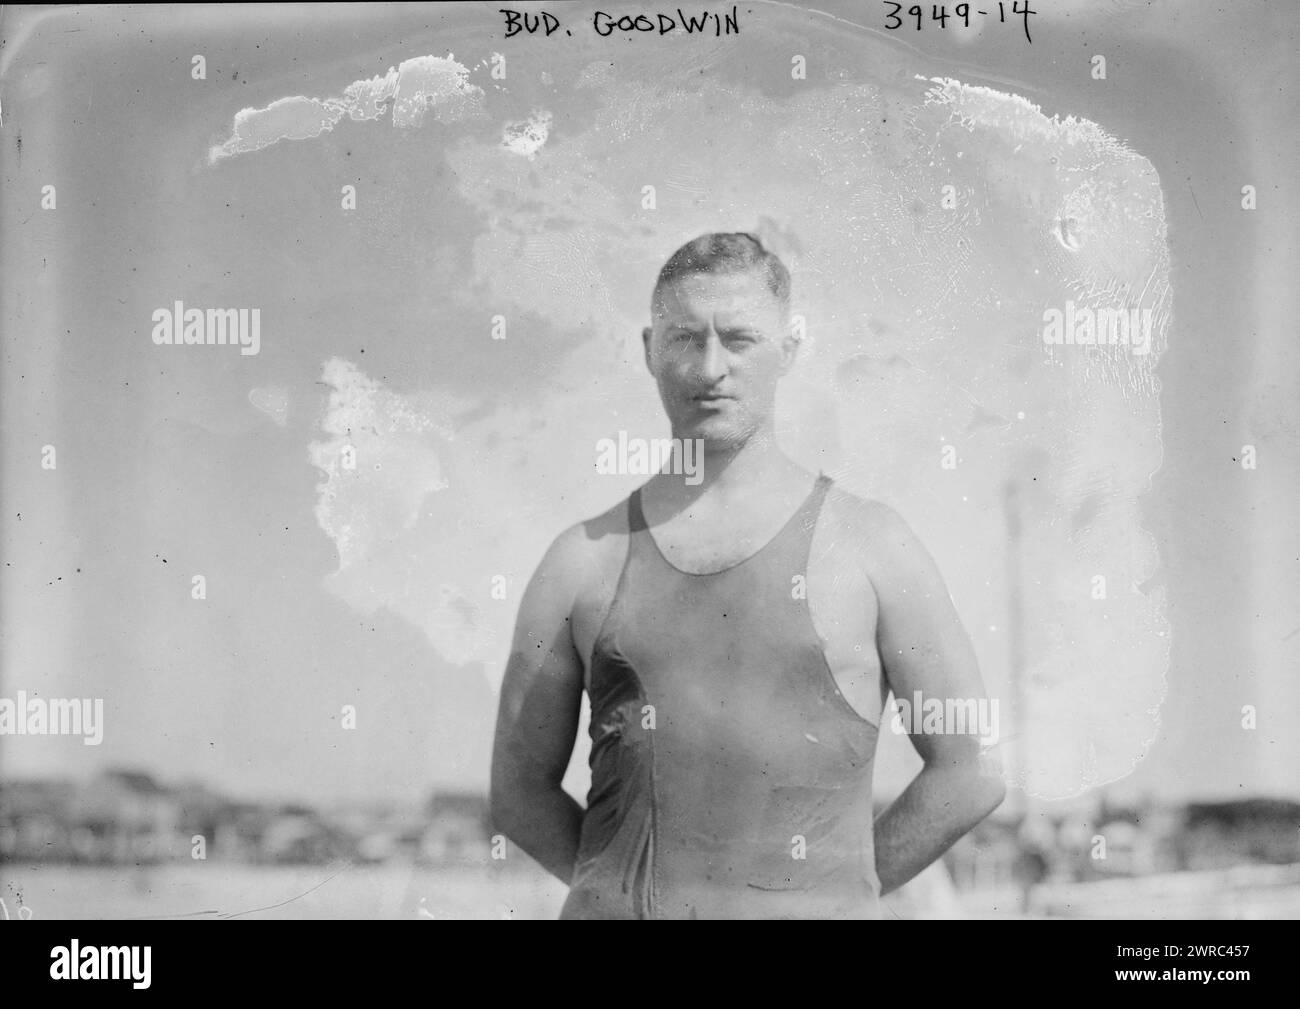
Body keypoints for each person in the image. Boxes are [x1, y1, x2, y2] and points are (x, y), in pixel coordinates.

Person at [490, 232, 1004, 919]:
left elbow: (972, 770)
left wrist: (838, 893)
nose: (710, 368)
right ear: (649, 348)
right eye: (684, 338)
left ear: (789, 347)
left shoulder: (872, 545)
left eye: (738, 339)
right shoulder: (582, 559)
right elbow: (518, 791)